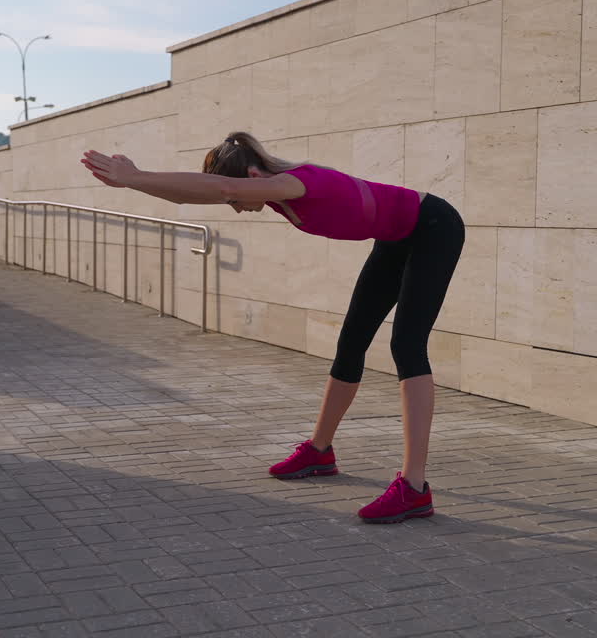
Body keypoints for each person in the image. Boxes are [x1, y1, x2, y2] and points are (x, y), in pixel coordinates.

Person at [81, 131, 465, 524]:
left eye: (235, 200)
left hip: (434, 227)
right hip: (396, 237)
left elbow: (224, 186)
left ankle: (414, 488)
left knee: (407, 345)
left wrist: (136, 175)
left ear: (253, 176)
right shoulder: (271, 192)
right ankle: (320, 451)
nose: (233, 207)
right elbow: (196, 194)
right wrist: (136, 181)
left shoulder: (295, 182)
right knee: (351, 342)